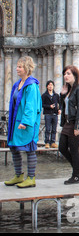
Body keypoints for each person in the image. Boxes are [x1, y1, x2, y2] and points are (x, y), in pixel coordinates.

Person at [4, 56, 42, 188]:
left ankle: (31, 177)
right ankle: (18, 175)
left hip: (26, 123)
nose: (17, 69)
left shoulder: (31, 86)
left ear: (27, 68)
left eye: (20, 67)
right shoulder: (18, 84)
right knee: (14, 147)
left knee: (29, 149)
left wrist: (25, 122)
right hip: (16, 123)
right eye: (17, 66)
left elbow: (30, 106)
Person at [58, 65, 79, 184]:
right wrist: (62, 95)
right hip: (68, 123)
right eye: (65, 73)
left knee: (74, 150)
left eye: (68, 73)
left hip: (76, 122)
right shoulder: (68, 89)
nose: (66, 76)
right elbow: (64, 106)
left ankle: (76, 176)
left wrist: (77, 126)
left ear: (75, 75)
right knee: (62, 148)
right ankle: (78, 169)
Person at [41, 80, 60, 149]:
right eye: (49, 85)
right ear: (47, 86)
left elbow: (60, 103)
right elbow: (42, 104)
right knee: (48, 129)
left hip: (55, 114)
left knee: (54, 129)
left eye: (51, 85)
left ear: (53, 86)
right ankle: (47, 142)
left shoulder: (56, 95)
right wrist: (49, 106)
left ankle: (53, 142)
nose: (50, 86)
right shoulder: (44, 95)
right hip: (48, 114)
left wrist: (60, 109)